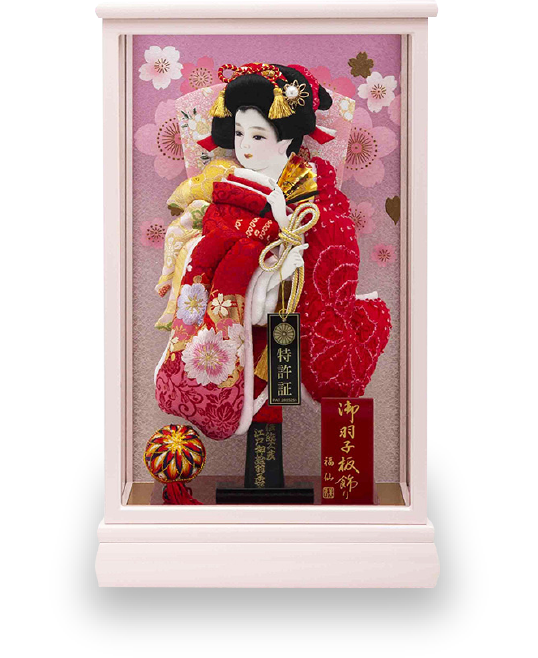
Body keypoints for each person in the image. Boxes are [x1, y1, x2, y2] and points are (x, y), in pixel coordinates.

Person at [154, 62, 391, 441]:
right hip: (238, 310)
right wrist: (245, 255)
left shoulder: (317, 193)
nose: (245, 146)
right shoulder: (225, 182)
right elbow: (206, 232)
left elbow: (333, 250)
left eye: (258, 135)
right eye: (239, 133)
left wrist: (286, 255)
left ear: (285, 139)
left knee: (276, 390)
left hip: (291, 313)